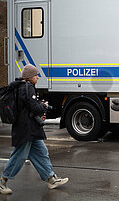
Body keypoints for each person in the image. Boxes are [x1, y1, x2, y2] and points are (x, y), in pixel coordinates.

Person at [0, 64, 68, 195]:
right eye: (36, 75)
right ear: (30, 77)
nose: (37, 77)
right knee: (19, 156)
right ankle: (2, 182)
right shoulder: (28, 88)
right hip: (26, 129)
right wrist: (44, 105)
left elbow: (27, 106)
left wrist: (39, 105)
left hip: (28, 128)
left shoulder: (20, 87)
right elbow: (35, 108)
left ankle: (51, 179)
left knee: (41, 152)